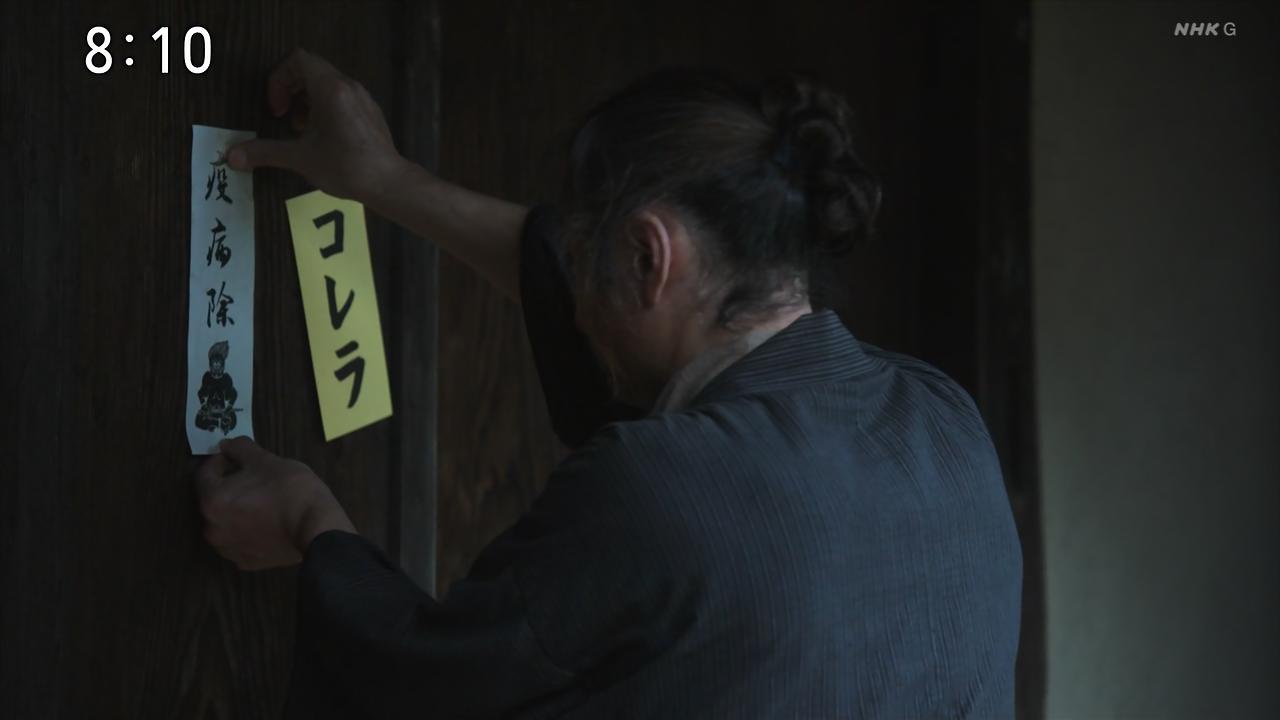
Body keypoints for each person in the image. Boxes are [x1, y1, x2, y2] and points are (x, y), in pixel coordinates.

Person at [196, 48, 1023, 718]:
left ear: (647, 257)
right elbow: (582, 298)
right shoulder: (945, 419)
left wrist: (312, 524)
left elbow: (420, 685)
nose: (577, 304)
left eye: (587, 258)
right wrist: (383, 180)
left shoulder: (658, 484)